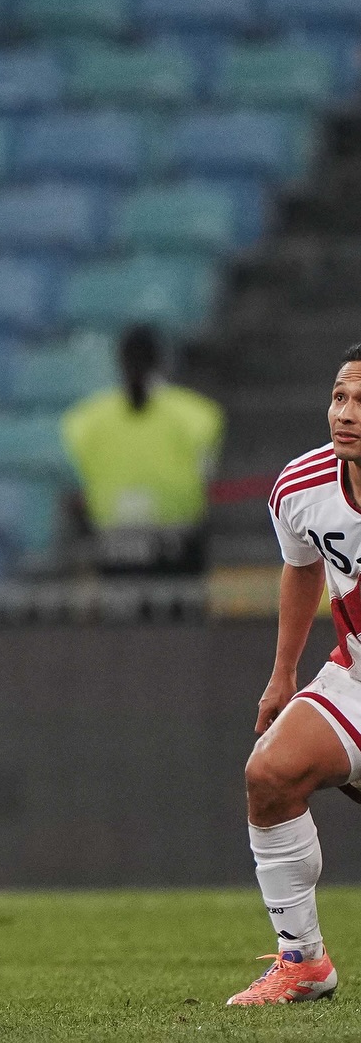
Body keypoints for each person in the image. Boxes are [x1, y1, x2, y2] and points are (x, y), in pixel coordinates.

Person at [226, 344, 361, 1005]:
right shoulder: (302, 485)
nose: (347, 413)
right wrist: (282, 677)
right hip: (355, 678)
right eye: (340, 397)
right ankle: (303, 960)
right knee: (268, 776)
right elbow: (303, 564)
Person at [61, 324, 224, 575]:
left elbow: (78, 479)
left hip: (110, 545)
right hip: (178, 546)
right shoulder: (199, 415)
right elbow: (206, 476)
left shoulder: (84, 420)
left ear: (119, 362)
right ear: (162, 362)